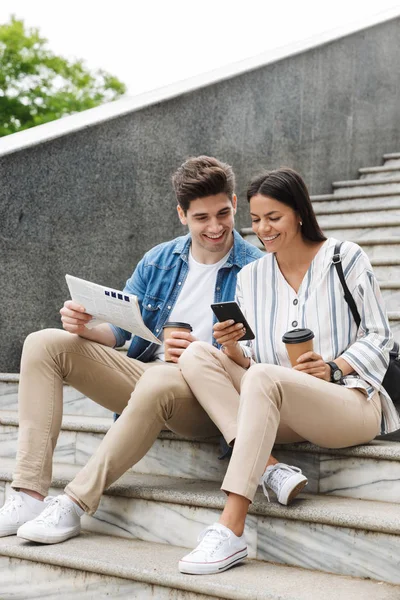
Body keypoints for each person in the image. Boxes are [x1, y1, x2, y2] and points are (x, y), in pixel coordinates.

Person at [0, 156, 304, 544]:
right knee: (43, 343)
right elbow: (123, 329)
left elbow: (264, 360)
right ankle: (28, 494)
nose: (215, 227)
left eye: (222, 213)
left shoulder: (259, 268)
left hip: (206, 397)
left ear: (234, 203)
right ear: (182, 214)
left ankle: (74, 502)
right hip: (147, 377)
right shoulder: (159, 259)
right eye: (201, 218)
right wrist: (88, 329)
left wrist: (204, 351)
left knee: (162, 377)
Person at [177, 167, 399, 575]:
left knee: (263, 377)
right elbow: (252, 357)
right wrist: (231, 346)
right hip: (278, 403)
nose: (263, 229)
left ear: (299, 212)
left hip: (350, 402)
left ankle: (231, 528)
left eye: (273, 218)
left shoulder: (344, 258)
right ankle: (271, 469)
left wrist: (333, 367)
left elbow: (381, 337)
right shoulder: (251, 276)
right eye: (257, 220)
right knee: (196, 355)